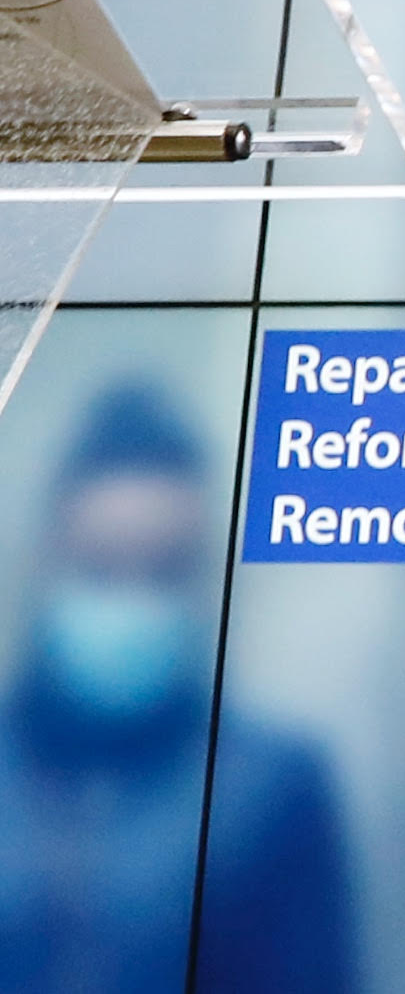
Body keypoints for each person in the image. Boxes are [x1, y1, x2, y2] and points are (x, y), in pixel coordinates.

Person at [0, 378, 358, 994]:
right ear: (47, 564)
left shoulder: (271, 787)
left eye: (162, 571)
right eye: (102, 566)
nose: (131, 602)